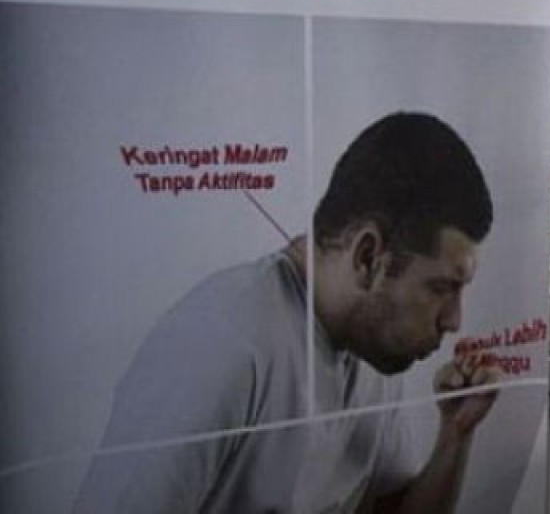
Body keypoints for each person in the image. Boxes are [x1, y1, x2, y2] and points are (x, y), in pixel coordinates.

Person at [75, 112, 501, 514]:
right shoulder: (219, 343)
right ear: (368, 257)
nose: (454, 321)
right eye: (441, 288)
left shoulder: (371, 349)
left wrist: (455, 436)